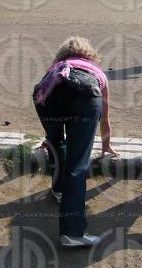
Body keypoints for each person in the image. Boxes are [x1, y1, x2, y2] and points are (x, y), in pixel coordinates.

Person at [33, 37, 118, 248]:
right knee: (77, 164)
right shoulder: (95, 70)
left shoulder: (57, 66)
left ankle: (59, 189)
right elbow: (104, 117)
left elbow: (42, 90)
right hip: (85, 97)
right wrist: (105, 144)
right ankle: (72, 233)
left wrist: (51, 132)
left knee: (55, 141)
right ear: (89, 54)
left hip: (46, 97)